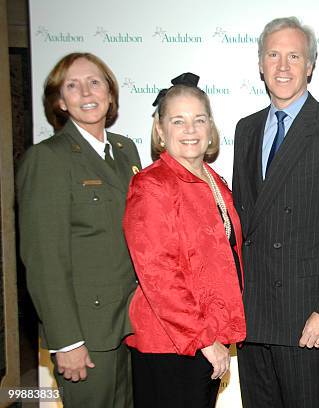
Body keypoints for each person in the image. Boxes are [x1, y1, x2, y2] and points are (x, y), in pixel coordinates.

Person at [232, 16, 319, 407]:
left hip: (305, 317)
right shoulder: (246, 129)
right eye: (273, 55)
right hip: (253, 315)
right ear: (260, 64)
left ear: (310, 66)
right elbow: (245, 226)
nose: (283, 66)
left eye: (294, 56)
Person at [17, 52, 141, 407]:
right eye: (72, 85)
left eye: (94, 82)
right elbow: (44, 261)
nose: (86, 92)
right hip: (86, 332)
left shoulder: (125, 150)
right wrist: (66, 341)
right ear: (60, 101)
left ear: (111, 94)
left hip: (132, 323)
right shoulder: (48, 159)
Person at [122, 73, 246, 408]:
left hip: (202, 342)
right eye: (178, 121)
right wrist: (205, 340)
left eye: (199, 120)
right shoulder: (152, 186)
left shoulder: (213, 180)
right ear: (161, 131)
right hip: (170, 345)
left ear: (210, 128)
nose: (190, 130)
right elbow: (159, 275)